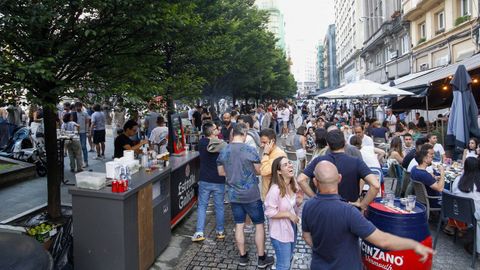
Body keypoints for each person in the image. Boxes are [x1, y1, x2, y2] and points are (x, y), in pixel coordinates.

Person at [301, 161, 434, 269]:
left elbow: (306, 236)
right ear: (339, 179)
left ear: (315, 182)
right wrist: (414, 245)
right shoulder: (348, 211)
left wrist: (323, 249)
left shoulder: (308, 206)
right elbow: (384, 241)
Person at [217, 123, 274, 268]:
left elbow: (221, 173)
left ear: (232, 134)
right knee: (259, 225)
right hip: (251, 194)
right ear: (243, 134)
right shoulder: (250, 149)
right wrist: (266, 154)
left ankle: (243, 256)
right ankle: (261, 258)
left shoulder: (223, 150)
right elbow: (259, 170)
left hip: (233, 194)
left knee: (239, 225)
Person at [297, 129, 380, 211]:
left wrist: (314, 197)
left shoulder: (319, 160)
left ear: (328, 144)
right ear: (344, 143)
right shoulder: (356, 162)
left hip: (325, 207)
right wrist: (363, 204)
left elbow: (301, 179)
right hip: (349, 209)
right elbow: (375, 185)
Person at [264, 157, 303, 270]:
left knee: (289, 258)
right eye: (285, 165)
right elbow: (269, 212)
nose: (290, 165)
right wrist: (288, 214)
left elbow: (291, 208)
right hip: (280, 233)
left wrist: (298, 203)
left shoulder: (293, 184)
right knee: (283, 265)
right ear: (279, 171)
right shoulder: (275, 190)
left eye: (290, 163)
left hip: (291, 228)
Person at [192, 122, 226, 242]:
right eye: (216, 128)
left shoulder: (201, 143)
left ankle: (199, 232)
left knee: (202, 206)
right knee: (219, 206)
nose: (218, 129)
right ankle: (220, 231)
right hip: (219, 179)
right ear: (212, 131)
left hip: (205, 179)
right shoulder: (221, 144)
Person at [452, 157, 480, 255]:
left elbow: (453, 193)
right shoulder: (478, 183)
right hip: (475, 215)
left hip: (458, 214)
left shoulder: (458, 179)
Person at [260, 128, 287, 199]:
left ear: (272, 141)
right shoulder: (268, 151)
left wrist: (265, 154)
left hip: (274, 197)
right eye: (261, 142)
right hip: (268, 195)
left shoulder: (278, 154)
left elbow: (264, 171)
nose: (261, 145)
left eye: (264, 142)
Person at [73, 102, 90, 167]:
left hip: (83, 132)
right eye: (76, 106)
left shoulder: (85, 113)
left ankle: (86, 161)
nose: (78, 108)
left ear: (81, 106)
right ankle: (78, 163)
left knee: (83, 147)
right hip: (76, 133)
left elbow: (87, 123)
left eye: (79, 106)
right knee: (76, 148)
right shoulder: (73, 114)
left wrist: (87, 131)